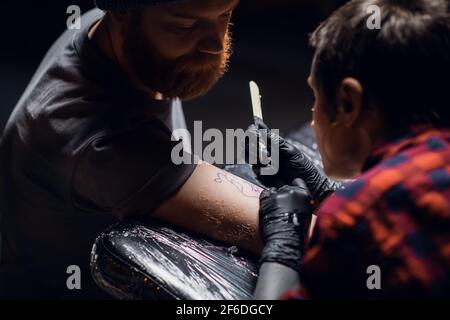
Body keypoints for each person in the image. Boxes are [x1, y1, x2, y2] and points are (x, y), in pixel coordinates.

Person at [0, 0, 266, 297]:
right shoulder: (101, 144)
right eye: (185, 25)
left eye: (224, 15)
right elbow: (295, 230)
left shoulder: (103, 33)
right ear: (122, 11)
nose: (216, 44)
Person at [250, 0, 450, 299]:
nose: (313, 112)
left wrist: (284, 244)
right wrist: (325, 189)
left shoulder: (359, 215)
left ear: (347, 103)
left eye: (316, 96)